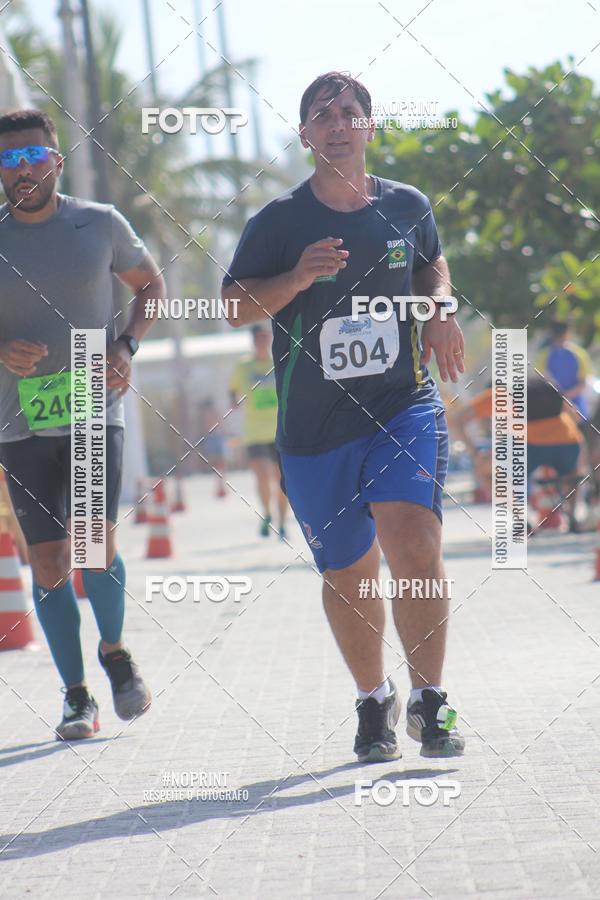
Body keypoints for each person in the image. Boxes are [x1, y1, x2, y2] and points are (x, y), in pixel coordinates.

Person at [223, 72, 466, 761]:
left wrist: (441, 310)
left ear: (368, 126)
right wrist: (297, 278)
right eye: (323, 115)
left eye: (350, 112)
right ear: (304, 136)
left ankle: (430, 701)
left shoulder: (408, 205)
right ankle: (372, 701)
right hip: (313, 430)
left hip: (402, 407)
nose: (337, 122)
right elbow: (234, 304)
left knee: (414, 542)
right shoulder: (277, 223)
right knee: (348, 576)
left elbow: (431, 262)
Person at [0, 109, 164, 740]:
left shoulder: (98, 223)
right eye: (9, 160)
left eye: (32, 157)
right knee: (45, 561)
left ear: (56, 162)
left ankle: (116, 653)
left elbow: (151, 287)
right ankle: (75, 697)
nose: (21, 171)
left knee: (95, 541)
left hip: (96, 409)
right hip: (18, 424)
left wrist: (125, 347)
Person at [459, 377, 583, 529]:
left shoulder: (494, 394)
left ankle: (521, 519)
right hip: (568, 441)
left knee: (485, 472)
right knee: (571, 474)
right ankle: (572, 516)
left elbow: (456, 420)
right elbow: (576, 417)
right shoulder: (542, 389)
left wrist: (474, 452)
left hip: (529, 446)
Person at [229, 324, 289, 538]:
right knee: (262, 476)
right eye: (259, 339)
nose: (263, 342)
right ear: (253, 341)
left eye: (266, 338)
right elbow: (233, 390)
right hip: (254, 432)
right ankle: (266, 514)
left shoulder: (278, 361)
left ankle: (282, 523)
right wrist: (234, 402)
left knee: (281, 479)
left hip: (279, 429)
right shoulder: (243, 366)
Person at [536, 321, 593, 420]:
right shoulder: (580, 354)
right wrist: (564, 398)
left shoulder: (544, 355)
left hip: (553, 408)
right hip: (573, 408)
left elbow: (540, 381)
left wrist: (560, 397)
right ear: (568, 333)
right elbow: (583, 384)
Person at [198, 398, 228, 498]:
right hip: (213, 437)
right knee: (216, 462)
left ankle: (220, 485)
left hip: (215, 437)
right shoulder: (209, 413)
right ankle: (220, 485)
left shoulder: (208, 413)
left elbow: (217, 424)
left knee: (219, 462)